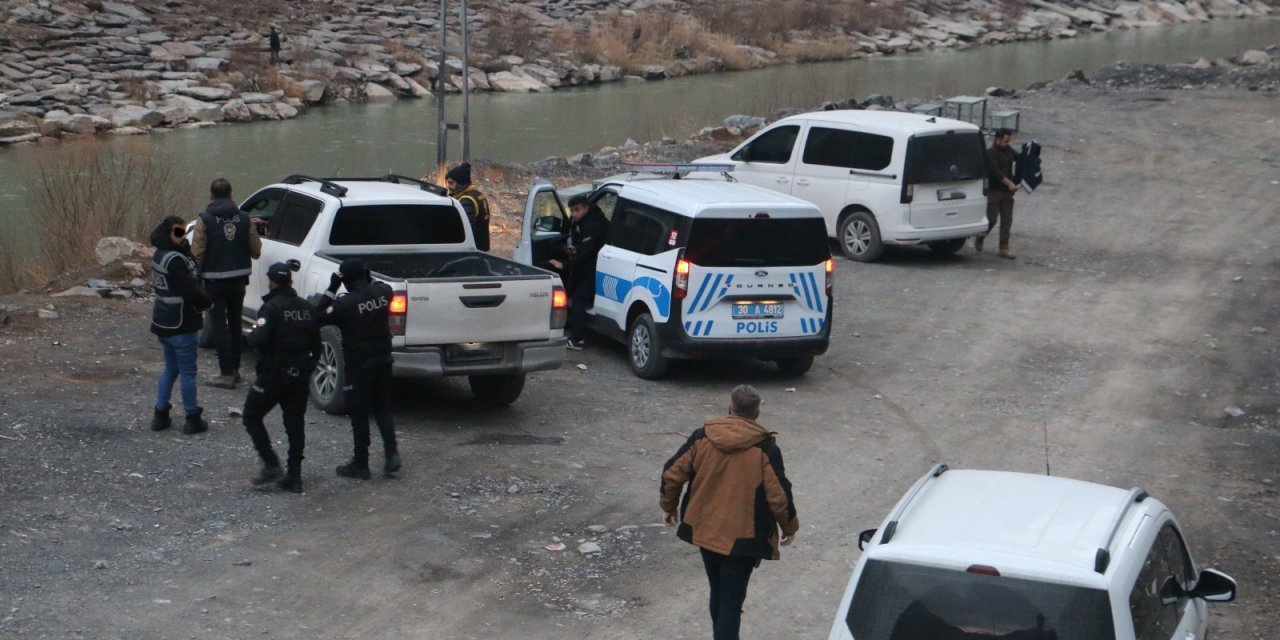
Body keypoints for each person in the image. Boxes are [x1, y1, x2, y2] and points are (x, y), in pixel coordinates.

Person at [660, 385, 798, 640]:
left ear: (729, 408)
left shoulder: (702, 437)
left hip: (706, 531)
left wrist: (669, 507)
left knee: (718, 591)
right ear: (757, 413)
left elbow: (672, 474)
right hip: (743, 540)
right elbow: (779, 496)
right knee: (731, 603)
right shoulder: (765, 449)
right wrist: (789, 527)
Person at [316, 258, 400, 479]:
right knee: (382, 408)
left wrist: (332, 287)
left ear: (345, 280)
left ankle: (361, 463)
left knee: (359, 414)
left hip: (359, 365)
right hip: (383, 360)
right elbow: (378, 285)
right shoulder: (383, 292)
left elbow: (318, 315)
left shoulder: (345, 305)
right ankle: (392, 453)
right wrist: (366, 277)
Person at [241, 262, 320, 494]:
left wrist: (249, 336)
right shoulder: (307, 307)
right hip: (299, 375)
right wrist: (308, 368)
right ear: (291, 282)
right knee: (295, 424)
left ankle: (271, 463)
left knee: (251, 415)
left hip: (274, 374)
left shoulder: (271, 308)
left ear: (271, 282)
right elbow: (317, 345)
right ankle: (295, 476)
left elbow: (259, 339)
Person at [192, 178, 261, 389]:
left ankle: (225, 374)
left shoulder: (205, 220)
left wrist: (194, 278)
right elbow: (256, 250)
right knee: (236, 323)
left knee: (219, 326)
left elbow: (198, 253)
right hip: (239, 280)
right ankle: (236, 370)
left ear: (211, 196)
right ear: (231, 194)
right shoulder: (245, 218)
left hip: (214, 281)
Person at [149, 216, 214, 435]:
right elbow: (188, 289)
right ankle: (192, 417)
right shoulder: (175, 260)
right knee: (188, 372)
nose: (182, 236)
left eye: (184, 232)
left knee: (171, 368)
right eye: (178, 232)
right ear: (168, 232)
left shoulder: (161, 254)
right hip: (182, 323)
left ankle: (160, 414)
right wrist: (207, 303)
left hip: (163, 322)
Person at [548, 195, 608, 350]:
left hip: (598, 269)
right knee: (574, 291)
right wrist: (576, 249)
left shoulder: (592, 224)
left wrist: (564, 264)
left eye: (577, 210)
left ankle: (577, 339)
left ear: (586, 208)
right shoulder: (589, 219)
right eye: (572, 211)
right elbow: (588, 248)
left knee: (578, 298)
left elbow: (586, 254)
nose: (574, 214)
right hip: (595, 267)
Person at [978, 128, 1019, 259]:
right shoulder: (990, 153)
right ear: (998, 140)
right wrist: (1009, 183)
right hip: (994, 190)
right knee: (992, 219)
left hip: (1007, 192)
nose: (1007, 144)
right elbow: (995, 172)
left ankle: (1004, 247)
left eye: (1009, 141)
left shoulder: (1008, 150)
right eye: (1005, 141)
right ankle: (981, 236)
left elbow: (1019, 157)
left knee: (1007, 220)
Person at [444, 162, 491, 252]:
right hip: (481, 248)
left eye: (451, 183)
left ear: (460, 183)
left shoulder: (467, 201)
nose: (448, 186)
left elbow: (465, 230)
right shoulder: (477, 195)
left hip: (472, 251)